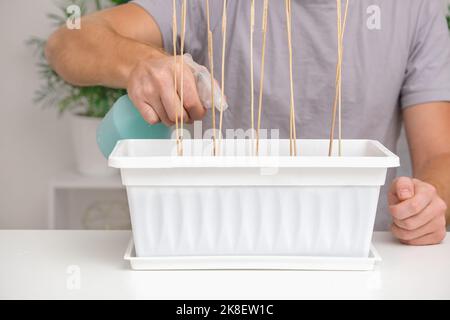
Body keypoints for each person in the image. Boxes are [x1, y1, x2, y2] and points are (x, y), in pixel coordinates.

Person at [45, 0, 450, 245]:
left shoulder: (414, 8)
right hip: (220, 242)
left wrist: (430, 203)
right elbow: (68, 40)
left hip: (359, 245)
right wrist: (142, 62)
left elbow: (439, 153)